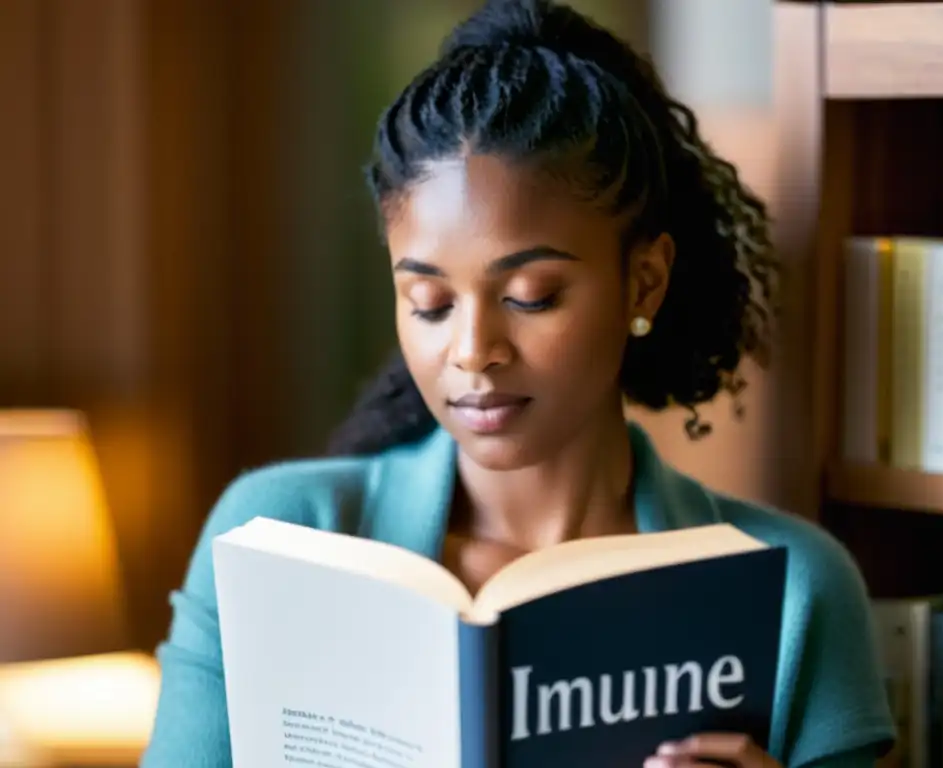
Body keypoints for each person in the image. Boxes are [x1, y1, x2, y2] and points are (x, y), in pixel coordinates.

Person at [141, 1, 895, 766]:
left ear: (644, 281)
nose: (473, 352)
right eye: (429, 303)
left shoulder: (793, 587)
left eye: (531, 295)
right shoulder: (281, 539)